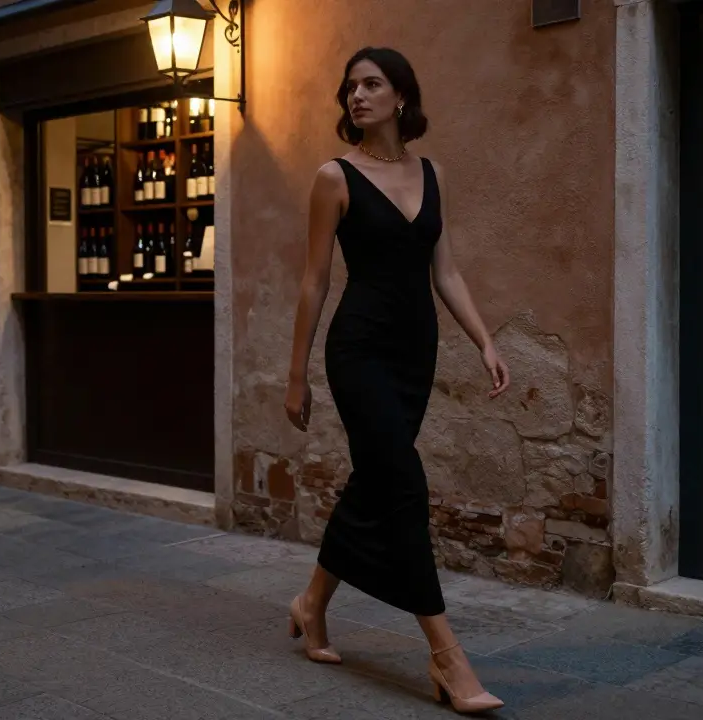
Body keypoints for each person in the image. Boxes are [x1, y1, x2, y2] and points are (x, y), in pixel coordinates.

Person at [283, 46, 511, 714]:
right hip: (358, 352)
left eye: (372, 84)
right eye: (350, 87)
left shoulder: (432, 173)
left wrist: (485, 339)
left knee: (375, 482)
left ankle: (310, 603)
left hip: (417, 353)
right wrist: (296, 376)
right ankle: (447, 658)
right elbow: (314, 279)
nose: (357, 96)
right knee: (404, 484)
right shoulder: (335, 177)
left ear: (401, 97)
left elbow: (446, 273)